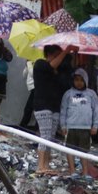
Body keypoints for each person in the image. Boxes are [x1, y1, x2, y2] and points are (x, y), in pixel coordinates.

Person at [32, 44, 78, 176]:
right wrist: (66, 50)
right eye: (58, 55)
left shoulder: (59, 70)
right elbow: (50, 66)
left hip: (54, 105)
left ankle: (46, 164)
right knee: (45, 136)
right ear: (51, 54)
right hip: (42, 105)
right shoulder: (40, 64)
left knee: (51, 137)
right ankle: (40, 165)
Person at [59, 68, 98, 178]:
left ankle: (85, 172)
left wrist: (95, 125)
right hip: (71, 127)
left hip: (85, 127)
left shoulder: (91, 94)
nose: (79, 83)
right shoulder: (68, 94)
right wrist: (63, 125)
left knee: (84, 151)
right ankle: (72, 171)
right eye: (76, 80)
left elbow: (96, 110)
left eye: (81, 80)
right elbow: (63, 110)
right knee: (70, 150)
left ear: (86, 81)